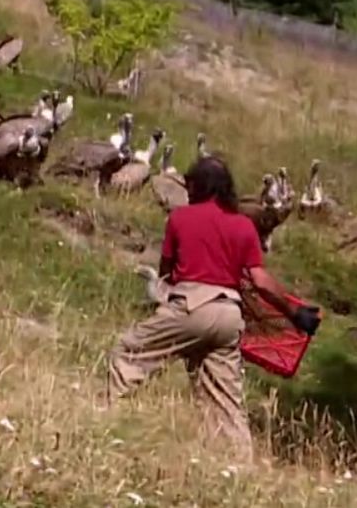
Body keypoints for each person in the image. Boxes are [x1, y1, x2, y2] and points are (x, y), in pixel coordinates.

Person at [107, 155, 320, 462]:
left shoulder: (181, 218)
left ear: (201, 186)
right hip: (229, 317)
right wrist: (293, 313)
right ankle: (239, 469)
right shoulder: (243, 226)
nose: (188, 190)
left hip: (191, 306)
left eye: (191, 184)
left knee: (129, 353)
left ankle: (107, 423)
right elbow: (259, 280)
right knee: (225, 402)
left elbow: (166, 271)